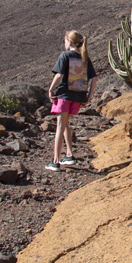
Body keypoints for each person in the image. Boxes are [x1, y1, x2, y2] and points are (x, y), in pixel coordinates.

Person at [46, 30, 96, 171]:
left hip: (64, 95)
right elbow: (94, 78)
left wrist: (50, 89)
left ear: (70, 42)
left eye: (65, 41)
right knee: (65, 123)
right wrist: (89, 96)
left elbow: (59, 74)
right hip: (77, 96)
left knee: (60, 126)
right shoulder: (84, 57)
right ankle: (69, 155)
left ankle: (55, 162)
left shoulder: (65, 55)